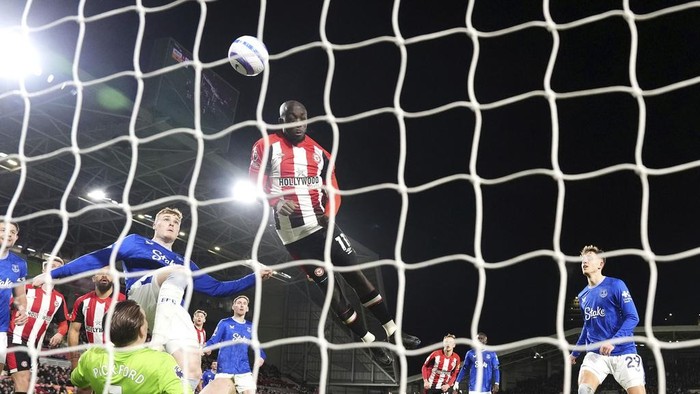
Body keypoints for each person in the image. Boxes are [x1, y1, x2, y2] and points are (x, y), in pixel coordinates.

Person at [248, 100, 421, 366]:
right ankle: (370, 343)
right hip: (294, 237)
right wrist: (274, 201)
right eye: (291, 118)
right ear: (281, 121)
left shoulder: (320, 154)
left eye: (302, 117)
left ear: (307, 119)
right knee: (332, 293)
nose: (298, 122)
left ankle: (393, 331)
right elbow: (254, 180)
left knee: (357, 275)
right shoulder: (265, 146)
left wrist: (329, 214)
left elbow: (334, 191)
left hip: (322, 226)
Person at [35, 207, 273, 391]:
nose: (171, 224)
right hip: (141, 300)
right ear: (155, 224)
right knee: (179, 273)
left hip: (170, 313)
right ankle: (157, 341)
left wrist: (255, 277)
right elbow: (97, 258)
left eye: (176, 222)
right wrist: (52, 275)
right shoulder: (136, 242)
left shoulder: (184, 260)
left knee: (192, 371)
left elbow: (218, 289)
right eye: (167, 220)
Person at [569, 245, 646, 394]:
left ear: (601, 264)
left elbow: (633, 317)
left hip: (624, 352)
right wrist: (575, 353)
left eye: (590, 259)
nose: (585, 262)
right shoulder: (582, 295)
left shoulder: (616, 285)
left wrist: (613, 341)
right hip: (596, 354)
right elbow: (588, 325)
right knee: (584, 390)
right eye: (583, 260)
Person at [71, 299, 192, 393]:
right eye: (145, 319)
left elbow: (76, 380)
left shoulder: (91, 356)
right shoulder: (161, 362)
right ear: (141, 330)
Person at [7, 257, 69, 394]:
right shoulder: (26, 288)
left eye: (58, 268)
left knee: (27, 385)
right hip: (15, 339)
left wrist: (60, 333)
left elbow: (64, 323)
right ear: (43, 269)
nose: (54, 269)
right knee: (23, 380)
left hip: (35, 346)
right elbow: (5, 305)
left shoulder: (59, 299)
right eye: (51, 266)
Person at [201, 295, 266, 394]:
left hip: (243, 369)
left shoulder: (250, 326)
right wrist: (206, 347)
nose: (242, 305)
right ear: (233, 307)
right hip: (224, 368)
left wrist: (261, 356)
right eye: (239, 303)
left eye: (244, 304)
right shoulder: (224, 323)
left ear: (247, 308)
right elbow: (214, 340)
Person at [68, 267, 126, 367]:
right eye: (100, 273)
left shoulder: (124, 301)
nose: (104, 275)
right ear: (93, 278)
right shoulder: (82, 301)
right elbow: (74, 330)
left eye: (108, 273)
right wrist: (74, 360)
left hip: (117, 360)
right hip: (91, 359)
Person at [0, 221, 28, 374]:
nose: (8, 234)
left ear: (16, 237)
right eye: (3, 230)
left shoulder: (19, 264)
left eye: (12, 232)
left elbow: (20, 295)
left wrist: (22, 310)